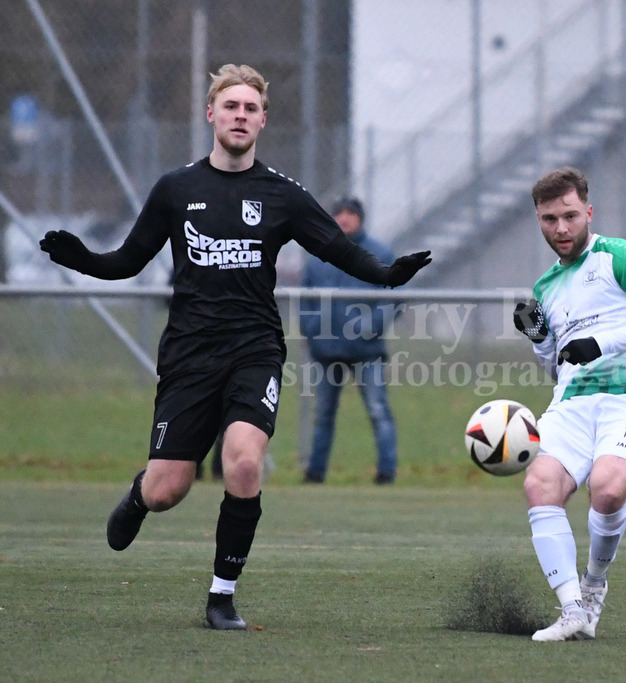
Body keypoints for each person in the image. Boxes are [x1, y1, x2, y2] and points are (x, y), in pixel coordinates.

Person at [38, 64, 430, 630]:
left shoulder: (282, 194)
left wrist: (389, 275)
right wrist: (83, 260)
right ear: (211, 114)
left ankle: (221, 597)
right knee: (168, 489)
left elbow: (338, 249)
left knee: (243, 462)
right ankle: (140, 495)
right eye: (231, 106)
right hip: (189, 355)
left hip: (255, 349)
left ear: (263, 119)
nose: (240, 116)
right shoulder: (176, 189)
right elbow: (127, 260)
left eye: (250, 108)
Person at [512, 166, 626, 642]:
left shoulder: (619, 256)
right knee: (540, 484)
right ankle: (571, 611)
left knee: (607, 490)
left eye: (570, 216)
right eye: (549, 219)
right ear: (539, 221)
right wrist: (539, 339)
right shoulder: (545, 287)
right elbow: (559, 366)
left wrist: (601, 343)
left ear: (588, 212)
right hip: (572, 402)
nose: (561, 228)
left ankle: (592, 587)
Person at [299, 196, 399, 485]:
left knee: (378, 411)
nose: (344, 218)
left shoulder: (379, 253)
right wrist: (313, 329)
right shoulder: (319, 254)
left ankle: (386, 473)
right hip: (326, 351)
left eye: (350, 213)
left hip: (365, 351)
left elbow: (393, 296)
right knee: (323, 415)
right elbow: (305, 299)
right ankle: (315, 473)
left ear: (360, 218)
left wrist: (369, 328)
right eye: (339, 213)